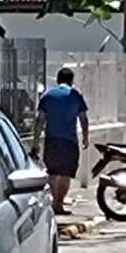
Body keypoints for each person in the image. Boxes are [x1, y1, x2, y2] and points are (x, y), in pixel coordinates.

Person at [30, 68, 89, 215]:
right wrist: (86, 137)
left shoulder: (47, 95)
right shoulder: (76, 95)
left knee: (52, 173)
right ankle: (59, 204)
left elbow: (40, 120)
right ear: (71, 80)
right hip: (69, 141)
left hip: (52, 140)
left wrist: (36, 142)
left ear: (57, 79)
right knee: (65, 174)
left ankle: (53, 203)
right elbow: (83, 119)